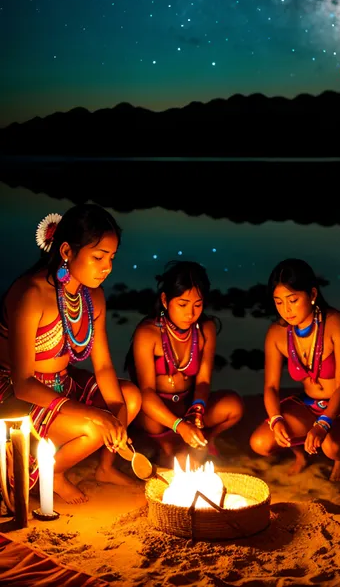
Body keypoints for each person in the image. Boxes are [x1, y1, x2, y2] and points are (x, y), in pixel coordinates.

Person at [0, 204, 142, 504]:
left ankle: (105, 468)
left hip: (62, 382)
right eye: (98, 257)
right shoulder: (31, 294)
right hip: (16, 393)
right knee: (94, 428)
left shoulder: (94, 296)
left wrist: (117, 413)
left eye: (112, 258)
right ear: (66, 251)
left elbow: (102, 365)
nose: (107, 267)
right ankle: (52, 475)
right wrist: (96, 415)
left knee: (130, 399)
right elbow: (23, 383)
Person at [249, 258, 340, 481]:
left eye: (293, 300)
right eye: (278, 302)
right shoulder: (277, 333)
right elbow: (271, 386)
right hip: (309, 404)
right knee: (261, 442)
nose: (286, 310)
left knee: (333, 448)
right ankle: (301, 455)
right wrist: (276, 419)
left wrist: (323, 424)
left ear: (312, 295)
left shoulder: (336, 323)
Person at [125, 260, 244, 466]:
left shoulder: (205, 329)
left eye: (197, 305)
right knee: (156, 427)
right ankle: (168, 445)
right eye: (182, 304)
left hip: (189, 404)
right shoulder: (148, 333)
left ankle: (205, 438)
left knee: (233, 406)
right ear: (165, 300)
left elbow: (204, 381)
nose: (190, 313)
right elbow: (146, 392)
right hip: (158, 410)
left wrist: (196, 411)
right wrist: (179, 425)